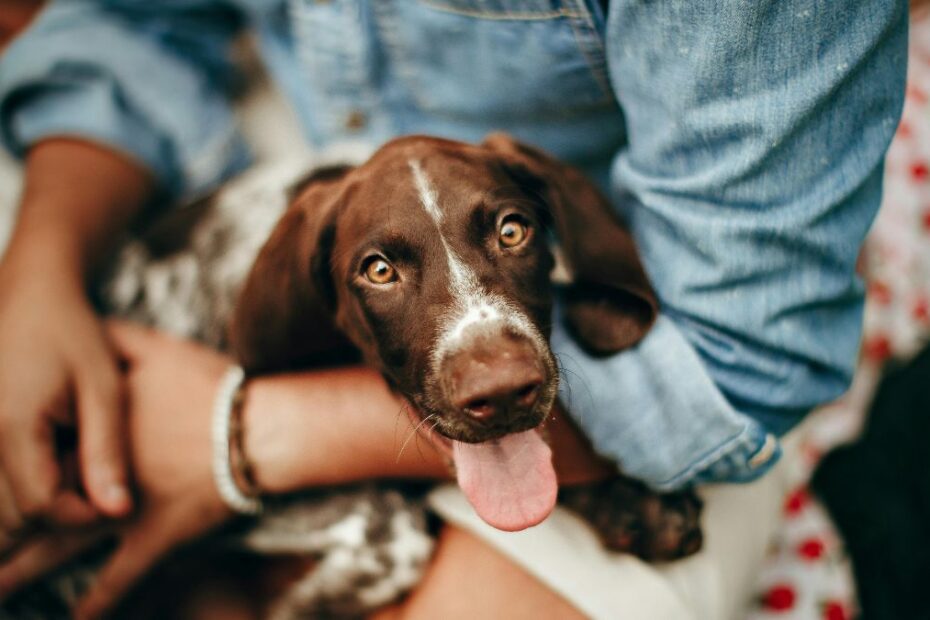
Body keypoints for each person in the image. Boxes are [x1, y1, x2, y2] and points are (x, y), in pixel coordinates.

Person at [0, 1, 908, 617]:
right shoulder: (291, 256)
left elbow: (745, 354)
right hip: (263, 158)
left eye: (511, 231)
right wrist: (33, 283)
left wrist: (236, 440)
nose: (492, 362)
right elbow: (128, 23)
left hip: (683, 309)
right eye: (383, 275)